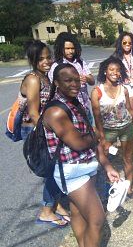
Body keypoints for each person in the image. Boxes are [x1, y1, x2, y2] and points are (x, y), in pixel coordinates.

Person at [43, 63, 120, 247]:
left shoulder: (75, 102)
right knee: (97, 220)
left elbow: (91, 138)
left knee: (77, 212)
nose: (74, 84)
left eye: (77, 80)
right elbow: (79, 142)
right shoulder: (56, 111)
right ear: (57, 83)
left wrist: (107, 165)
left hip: (86, 165)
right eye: (68, 80)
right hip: (72, 171)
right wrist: (95, 136)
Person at [18, 40, 68, 227]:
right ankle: (46, 212)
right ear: (33, 60)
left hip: (44, 127)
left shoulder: (45, 76)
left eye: (49, 57)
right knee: (52, 169)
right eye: (41, 59)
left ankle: (56, 206)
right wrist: (52, 132)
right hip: (35, 129)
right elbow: (33, 112)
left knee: (56, 167)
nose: (46, 61)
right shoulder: (33, 79)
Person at [91, 56, 133, 197]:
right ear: (105, 71)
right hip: (108, 130)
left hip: (126, 127)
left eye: (118, 70)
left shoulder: (124, 89)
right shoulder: (97, 92)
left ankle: (129, 188)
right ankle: (105, 190)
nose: (115, 73)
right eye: (111, 69)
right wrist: (103, 138)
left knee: (128, 158)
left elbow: (130, 110)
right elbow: (97, 116)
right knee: (105, 160)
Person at [48, 32, 95, 124]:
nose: (70, 51)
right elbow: (54, 88)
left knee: (90, 136)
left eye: (72, 48)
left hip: (85, 108)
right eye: (67, 48)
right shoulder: (56, 66)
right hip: (69, 111)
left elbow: (92, 81)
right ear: (61, 49)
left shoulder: (79, 62)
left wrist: (86, 78)